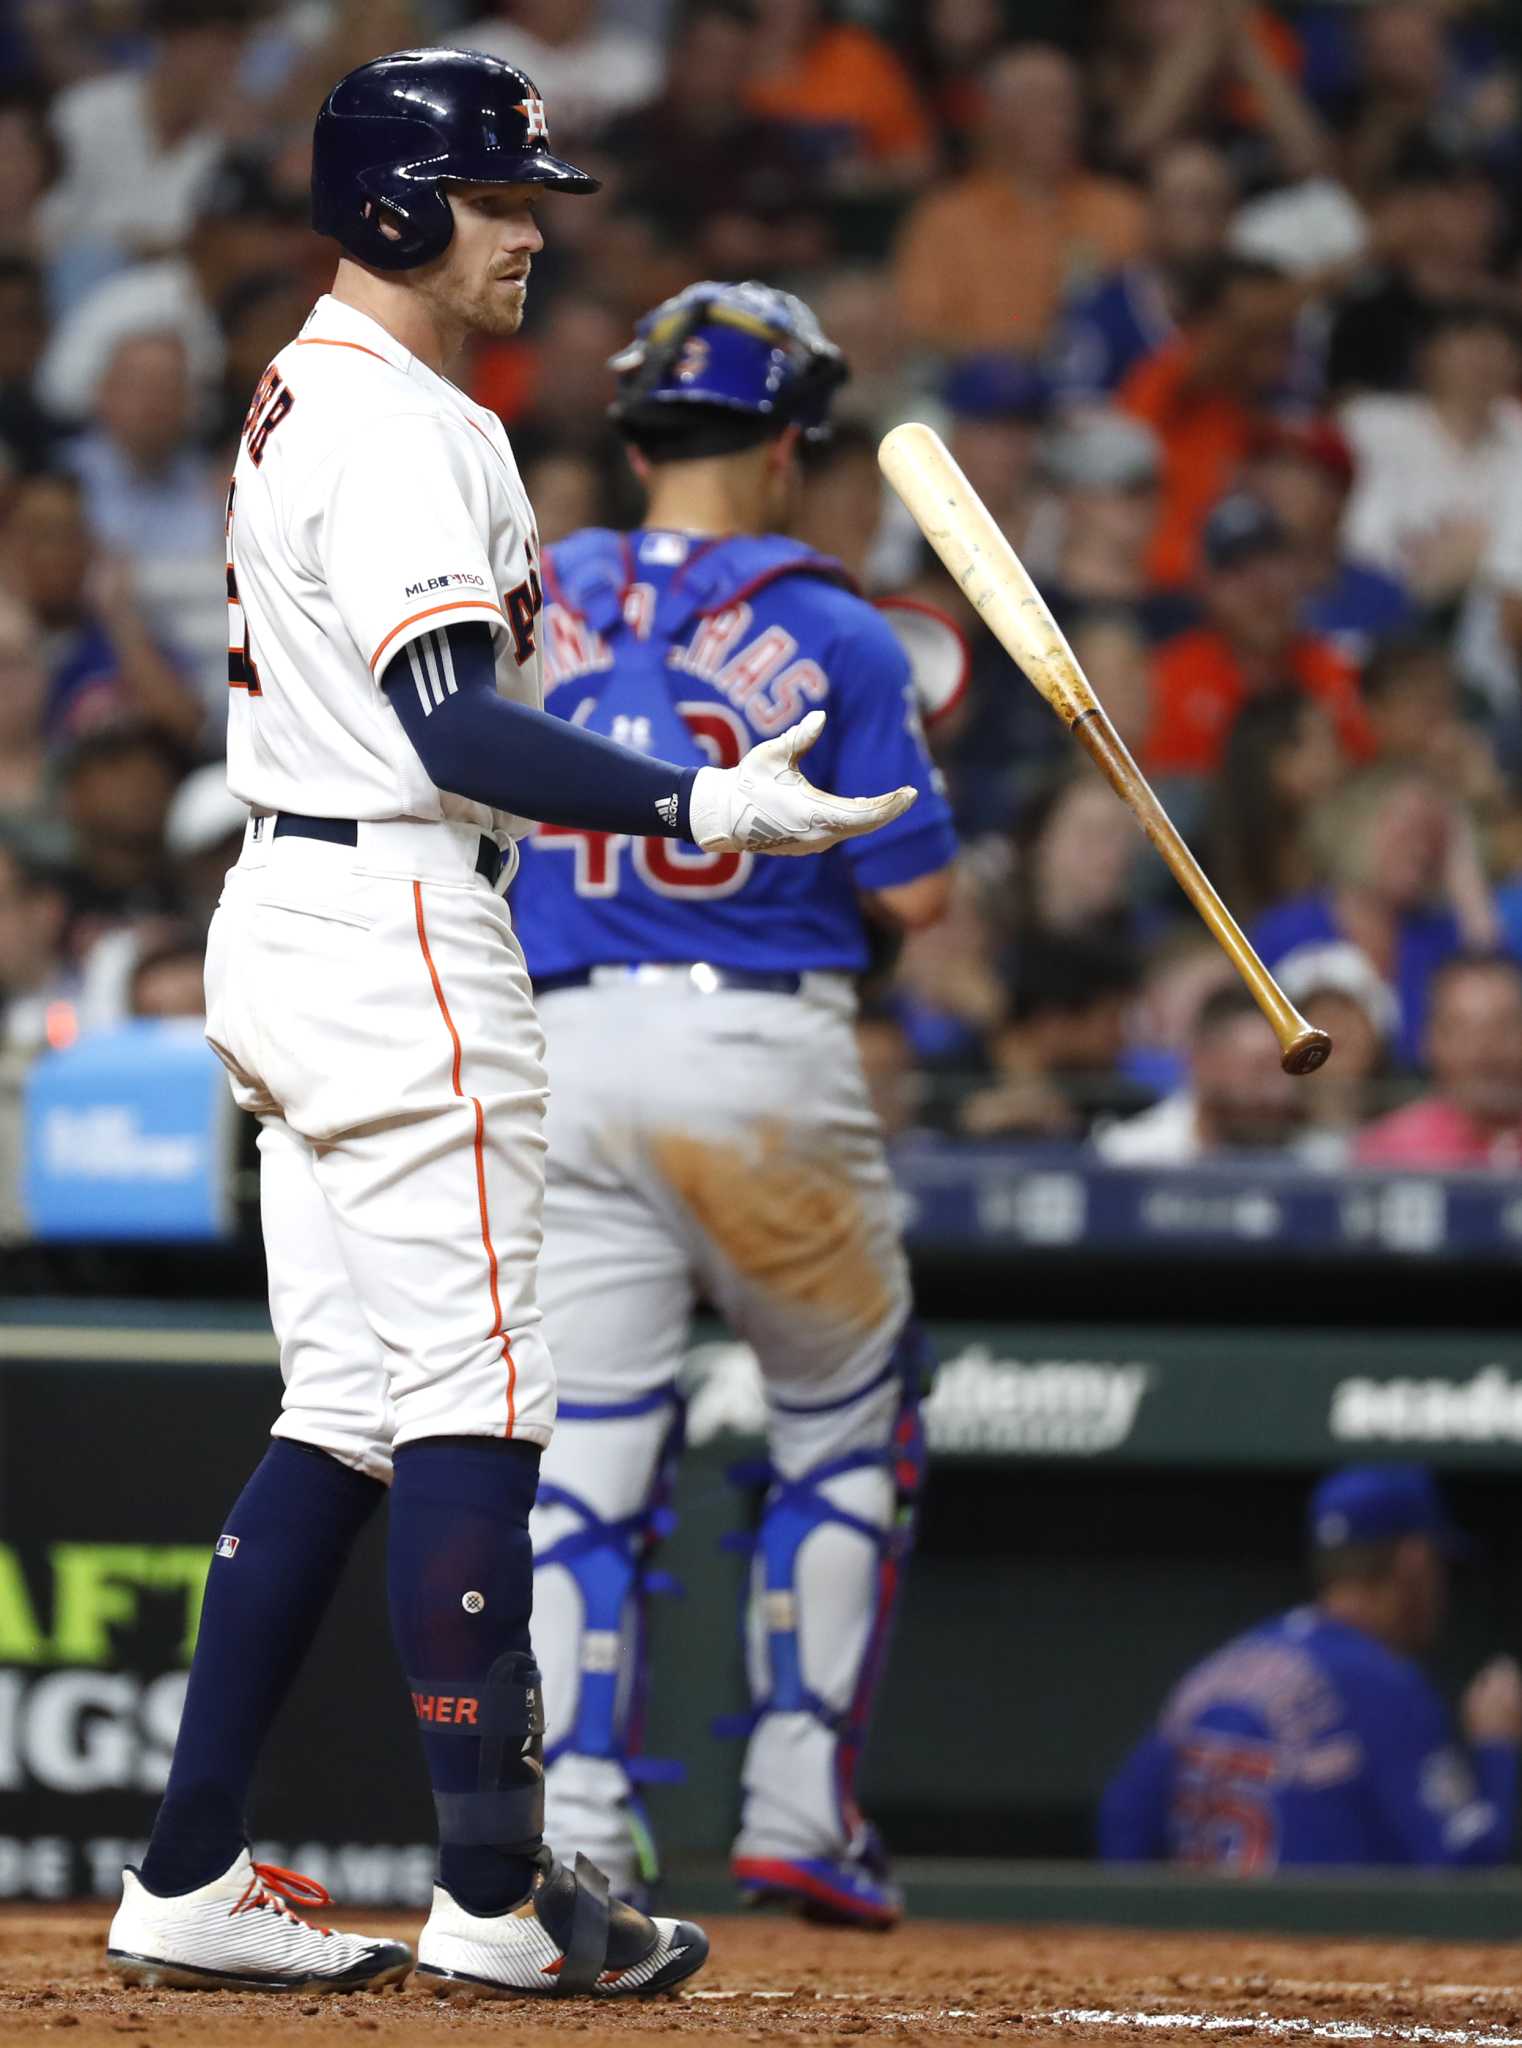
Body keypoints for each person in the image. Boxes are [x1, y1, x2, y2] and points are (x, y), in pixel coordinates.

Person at [103, 49, 914, 2002]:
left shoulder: (342, 391)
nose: (530, 226)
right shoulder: (388, 423)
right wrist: (700, 803)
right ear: (394, 207)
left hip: (310, 904)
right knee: (474, 1402)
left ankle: (185, 1871)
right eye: (495, 196)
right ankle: (495, 1892)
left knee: (350, 1411)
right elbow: (452, 722)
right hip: (391, 904)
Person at [510, 281, 955, 1928]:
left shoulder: (538, 593)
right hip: (753, 1059)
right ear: (782, 449)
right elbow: (915, 897)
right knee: (843, 1410)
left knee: (582, 1451)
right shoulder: (834, 624)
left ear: (634, 436)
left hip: (553, 1051)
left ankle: (578, 1816)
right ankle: (794, 1807)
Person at [1100, 1464, 1522, 1869]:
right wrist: (1499, 1747)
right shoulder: (1383, 1684)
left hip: (1200, 1941)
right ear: (1414, 1561)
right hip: (1316, 1942)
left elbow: (1122, 1824)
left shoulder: (1220, 1670)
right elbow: (1467, 1867)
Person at [894, 44, 1146, 355]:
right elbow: (920, 330)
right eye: (1033, 102)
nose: (1055, 118)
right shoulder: (945, 219)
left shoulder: (1122, 213)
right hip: (978, 393)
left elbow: (1151, 321)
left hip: (1099, 393)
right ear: (990, 116)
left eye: (1063, 102)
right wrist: (1019, 353)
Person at [1144, 494, 1370, 779]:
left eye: (1270, 563)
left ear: (1299, 572)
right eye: (1236, 571)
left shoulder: (1337, 673)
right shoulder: (1169, 681)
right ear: (1205, 588)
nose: (1259, 587)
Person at [1340, 302, 1522, 611]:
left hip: (1491, 624)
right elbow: (1355, 542)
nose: (1486, 357)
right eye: (1468, 341)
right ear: (1428, 353)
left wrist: (1472, 552)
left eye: (1501, 345)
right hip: (1379, 609)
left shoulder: (1517, 431)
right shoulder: (1370, 424)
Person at [1048, 140, 1237, 409]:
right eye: (1183, 203)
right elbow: (1072, 419)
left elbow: (1291, 412)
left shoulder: (1260, 307)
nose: (1200, 220)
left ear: (1231, 216)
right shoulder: (1098, 312)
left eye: (1210, 202)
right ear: (1152, 213)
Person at [1094, 982, 1298, 1164]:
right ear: (1202, 1062)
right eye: (1259, 1069)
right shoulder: (1128, 1156)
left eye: (1286, 1071)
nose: (1276, 1091)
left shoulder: (1315, 1160)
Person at [1357, 953, 1522, 1170]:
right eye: (1464, 1033)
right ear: (1428, 1042)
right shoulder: (1388, 1154)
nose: (1487, 1051)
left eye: (1505, 1027)